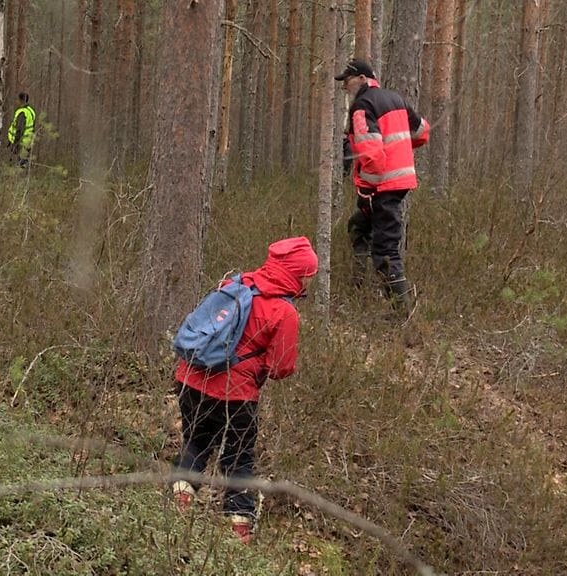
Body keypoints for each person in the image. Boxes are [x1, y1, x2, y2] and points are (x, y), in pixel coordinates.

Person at [171, 237, 319, 544]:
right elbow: (281, 367)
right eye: (306, 275)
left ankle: (179, 503)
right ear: (296, 274)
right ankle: (238, 528)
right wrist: (259, 365)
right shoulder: (284, 311)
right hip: (236, 394)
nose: (307, 282)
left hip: (189, 378)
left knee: (197, 441)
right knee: (238, 458)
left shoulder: (235, 284)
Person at [335, 58, 429, 317]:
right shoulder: (396, 99)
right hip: (398, 182)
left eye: (348, 79)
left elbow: (373, 156)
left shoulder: (363, 106)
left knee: (385, 249)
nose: (344, 85)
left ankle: (400, 312)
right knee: (357, 228)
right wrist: (401, 151)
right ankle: (358, 284)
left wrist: (367, 191)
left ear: (363, 79)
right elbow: (422, 131)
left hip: (382, 187)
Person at [6, 92, 36, 168]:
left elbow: (19, 129)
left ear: (21, 100)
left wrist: (15, 144)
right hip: (27, 142)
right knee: (24, 165)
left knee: (18, 167)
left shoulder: (22, 112)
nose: (16, 102)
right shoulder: (31, 111)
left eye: (18, 100)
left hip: (21, 143)